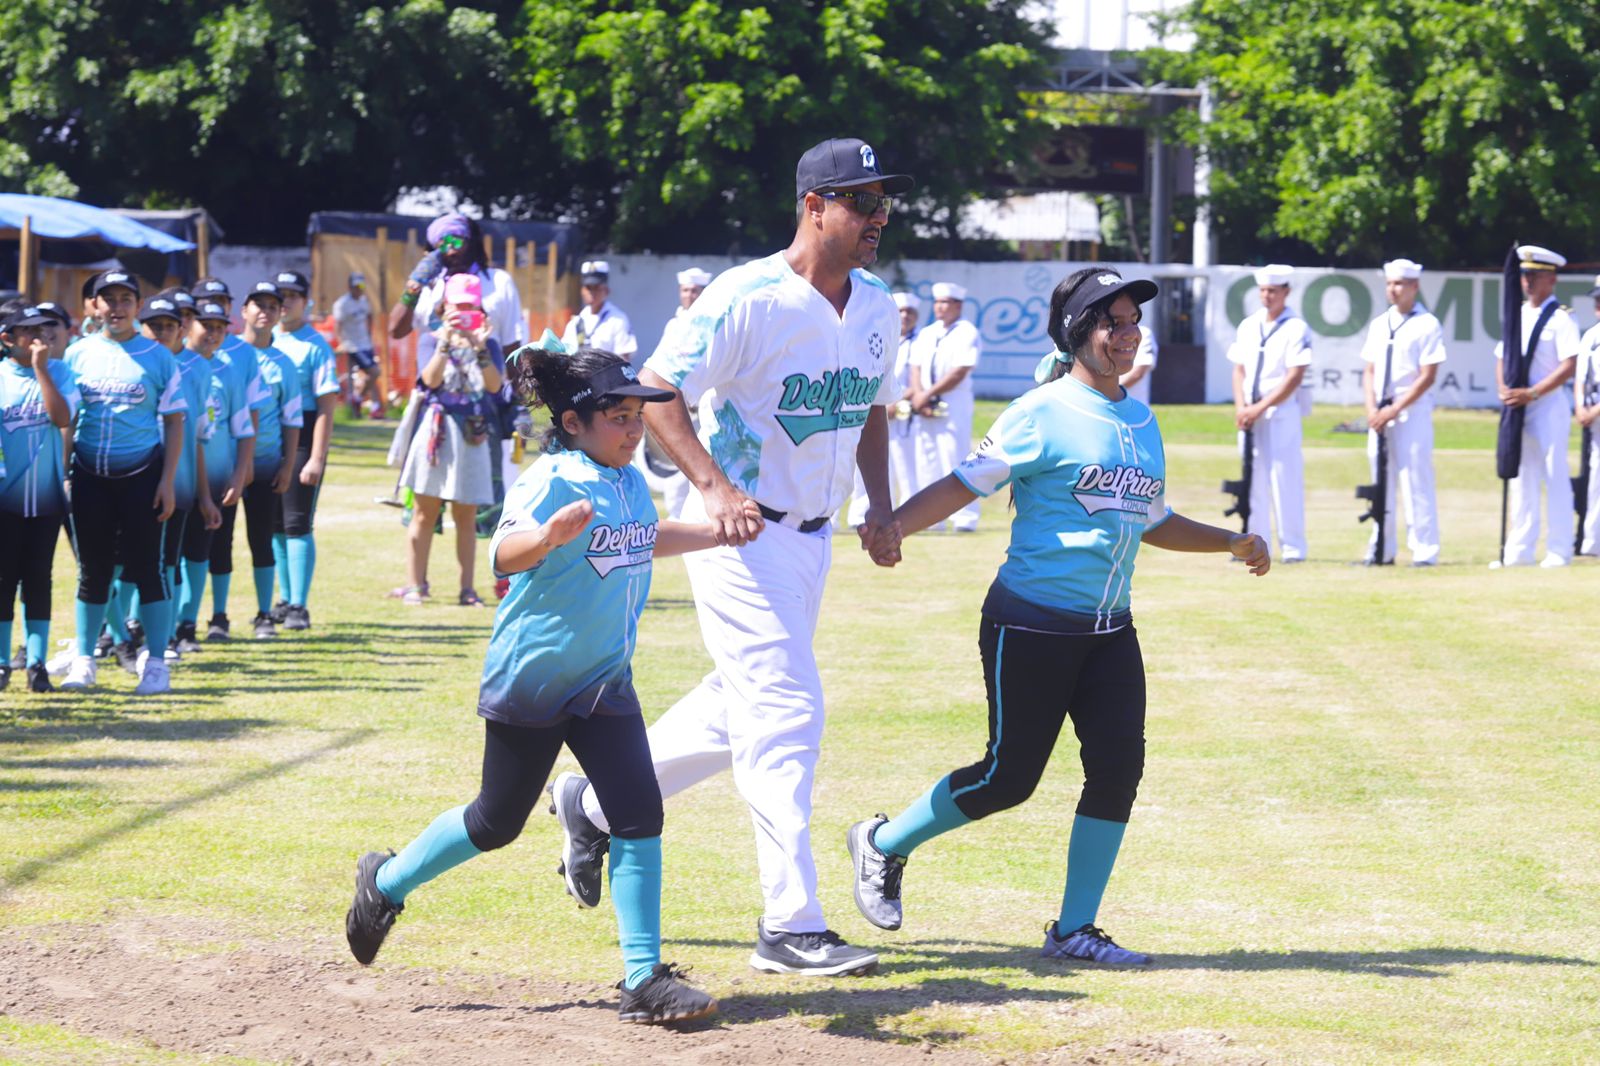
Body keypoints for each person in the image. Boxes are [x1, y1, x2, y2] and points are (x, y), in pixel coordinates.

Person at [549, 137, 910, 977]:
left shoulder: (879, 304)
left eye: (883, 201)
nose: (877, 217)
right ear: (814, 207)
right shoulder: (746, 296)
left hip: (813, 537)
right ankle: (791, 922)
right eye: (861, 202)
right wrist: (712, 487)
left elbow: (873, 408)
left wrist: (883, 507)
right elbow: (661, 384)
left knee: (738, 705)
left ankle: (596, 807)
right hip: (739, 534)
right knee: (785, 708)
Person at [844, 268, 1271, 966]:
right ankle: (883, 842)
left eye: (1135, 323)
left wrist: (1229, 541)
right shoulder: (1042, 410)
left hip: (1110, 631)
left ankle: (1075, 929)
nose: (1129, 335)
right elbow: (964, 484)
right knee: (1008, 778)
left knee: (1116, 772)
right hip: (1030, 623)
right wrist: (892, 524)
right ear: (1080, 332)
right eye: (1114, 323)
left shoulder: (1140, 417)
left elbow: (1150, 518)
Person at [345, 336, 743, 1025]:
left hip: (605, 683)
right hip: (534, 680)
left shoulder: (625, 478)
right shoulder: (552, 478)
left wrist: (716, 533)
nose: (631, 427)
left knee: (640, 813)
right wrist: (549, 539)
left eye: (635, 414)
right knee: (495, 822)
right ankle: (385, 881)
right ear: (572, 424)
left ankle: (643, 979)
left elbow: (643, 537)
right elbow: (504, 549)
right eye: (617, 416)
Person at [59, 270, 187, 694]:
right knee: (92, 572)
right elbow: (67, 421)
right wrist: (64, 474)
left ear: (137, 305)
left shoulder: (158, 356)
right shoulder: (77, 354)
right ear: (95, 306)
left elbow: (174, 422)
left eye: (125, 299)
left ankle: (155, 664)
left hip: (142, 476)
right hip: (90, 477)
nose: (116, 307)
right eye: (107, 299)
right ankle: (84, 661)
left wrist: (167, 482)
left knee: (148, 568)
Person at [395, 272, 506, 606]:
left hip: (472, 432)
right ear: (444, 306)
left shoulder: (489, 342)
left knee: (466, 515)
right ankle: (416, 584)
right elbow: (429, 380)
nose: (463, 311)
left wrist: (480, 346)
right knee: (424, 512)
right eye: (458, 305)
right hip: (437, 430)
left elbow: (494, 387)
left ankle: (467, 588)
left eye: (470, 305)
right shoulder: (431, 338)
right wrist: (446, 340)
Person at [187, 278, 272, 642]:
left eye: (221, 304)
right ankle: (171, 623)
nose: (214, 316)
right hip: (179, 474)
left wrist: (243, 467)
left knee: (219, 544)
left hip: (220, 470)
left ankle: (217, 616)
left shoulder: (234, 360)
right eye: (206, 307)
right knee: (174, 554)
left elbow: (247, 416)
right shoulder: (178, 361)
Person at [138, 294, 222, 661]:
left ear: (183, 327)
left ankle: (167, 634)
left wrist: (204, 495)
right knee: (123, 562)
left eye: (175, 322)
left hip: (178, 482)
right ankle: (119, 632)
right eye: (154, 324)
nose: (163, 332)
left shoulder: (198, 369)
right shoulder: (132, 362)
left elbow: (200, 438)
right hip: (130, 476)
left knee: (167, 561)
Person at [0, 304, 78, 693]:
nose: (39, 338)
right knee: (3, 582)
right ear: (7, 340)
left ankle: (36, 664)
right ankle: (1, 663)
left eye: (43, 331)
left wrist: (42, 369)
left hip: (45, 501)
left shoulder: (59, 371)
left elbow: (62, 419)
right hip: (5, 503)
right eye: (27, 333)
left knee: (38, 581)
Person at [174, 298, 256, 652]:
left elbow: (244, 428)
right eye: (206, 326)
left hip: (215, 480)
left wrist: (240, 474)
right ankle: (148, 625)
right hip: (174, 478)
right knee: (165, 557)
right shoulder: (172, 364)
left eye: (221, 328)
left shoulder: (228, 371)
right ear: (188, 325)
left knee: (199, 553)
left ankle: (187, 625)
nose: (213, 334)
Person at [1493, 245, 1578, 568]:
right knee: (1522, 477)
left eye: (1534, 276)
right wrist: (1504, 388)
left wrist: (1534, 392)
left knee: (1554, 473)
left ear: (1551, 280)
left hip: (1547, 405)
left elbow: (1568, 365)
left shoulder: (1561, 319)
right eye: (1525, 275)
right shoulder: (1518, 314)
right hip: (1519, 407)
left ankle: (1559, 548)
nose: (1527, 282)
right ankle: (1520, 548)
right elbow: (1502, 357)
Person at [1358, 259, 1446, 566]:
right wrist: (1372, 409)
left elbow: (1427, 375)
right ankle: (1381, 547)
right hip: (1380, 415)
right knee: (1380, 482)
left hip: (1410, 413)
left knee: (1415, 482)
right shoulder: (1380, 323)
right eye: (1389, 284)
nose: (1393, 290)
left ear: (1414, 287)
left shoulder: (1427, 324)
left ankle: (1425, 550)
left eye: (1399, 284)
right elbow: (1369, 370)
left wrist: (1395, 408)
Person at [1228, 264, 1313, 563]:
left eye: (1273, 291)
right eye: (1263, 291)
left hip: (1279, 413)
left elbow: (1294, 376)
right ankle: (1254, 543)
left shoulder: (1296, 327)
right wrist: (1242, 407)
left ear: (1286, 293)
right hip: (1250, 415)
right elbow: (1238, 370)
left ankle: (1293, 548)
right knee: (1251, 481)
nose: (1267, 296)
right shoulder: (1249, 325)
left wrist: (1259, 408)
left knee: (1284, 480)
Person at [270, 270, 341, 629]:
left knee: (297, 522)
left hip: (304, 435)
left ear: (305, 300)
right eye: (279, 296)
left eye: (292, 296)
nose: (285, 303)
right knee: (275, 524)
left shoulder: (316, 345)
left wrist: (316, 457)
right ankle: (283, 599)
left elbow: (327, 407)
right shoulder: (265, 341)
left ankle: (299, 605)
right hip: (270, 437)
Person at [236, 280, 303, 637]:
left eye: (272, 306)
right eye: (257, 304)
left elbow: (293, 420)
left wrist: (288, 464)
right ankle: (202, 618)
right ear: (243, 311)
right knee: (211, 545)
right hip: (222, 467)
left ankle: (264, 614)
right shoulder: (227, 353)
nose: (265, 311)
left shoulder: (284, 364)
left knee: (261, 539)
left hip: (264, 466)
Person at [909, 282, 982, 532]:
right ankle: (932, 518)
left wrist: (928, 393)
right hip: (925, 402)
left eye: (946, 302)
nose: (940, 307)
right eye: (937, 302)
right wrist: (919, 396)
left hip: (953, 402)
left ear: (958, 306)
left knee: (955, 457)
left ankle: (965, 518)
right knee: (926, 458)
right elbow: (915, 366)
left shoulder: (967, 332)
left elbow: (960, 371)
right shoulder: (927, 332)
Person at [847, 290, 920, 526]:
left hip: (900, 410)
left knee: (904, 465)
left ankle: (908, 516)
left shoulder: (920, 342)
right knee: (861, 469)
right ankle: (860, 514)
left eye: (910, 312)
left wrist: (893, 402)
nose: (905, 317)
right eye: (901, 312)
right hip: (870, 408)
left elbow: (915, 379)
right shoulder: (868, 335)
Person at [561, 261, 638, 363]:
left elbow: (624, 359)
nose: (592, 292)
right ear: (582, 290)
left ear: (606, 290)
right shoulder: (576, 322)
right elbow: (564, 354)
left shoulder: (617, 320)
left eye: (596, 287)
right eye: (588, 287)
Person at [333, 272, 383, 419]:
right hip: (352, 345)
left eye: (361, 286)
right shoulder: (342, 304)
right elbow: (338, 325)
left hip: (365, 343)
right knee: (374, 372)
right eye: (356, 286)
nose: (359, 289)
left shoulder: (364, 300)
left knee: (372, 376)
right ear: (350, 287)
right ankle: (357, 399)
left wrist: (370, 334)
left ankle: (371, 406)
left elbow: (369, 315)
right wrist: (342, 342)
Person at [1577, 275, 1600, 558]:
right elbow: (1581, 378)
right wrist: (1580, 408)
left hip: (1596, 411)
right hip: (1595, 418)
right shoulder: (1591, 337)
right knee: (1596, 480)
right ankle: (1592, 542)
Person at [1119, 323, 1159, 404]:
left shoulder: (1143, 333)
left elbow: (1137, 373)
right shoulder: (1102, 334)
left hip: (1134, 407)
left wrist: (1109, 392)